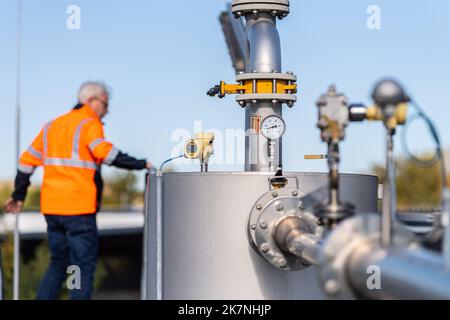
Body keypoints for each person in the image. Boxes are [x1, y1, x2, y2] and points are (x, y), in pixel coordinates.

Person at [4, 82, 152, 300]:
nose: (107, 109)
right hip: (78, 209)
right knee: (82, 265)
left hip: (53, 209)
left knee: (58, 262)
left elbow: (26, 162)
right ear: (91, 100)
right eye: (105, 103)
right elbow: (105, 152)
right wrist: (140, 164)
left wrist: (19, 195)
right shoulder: (89, 123)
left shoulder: (52, 126)